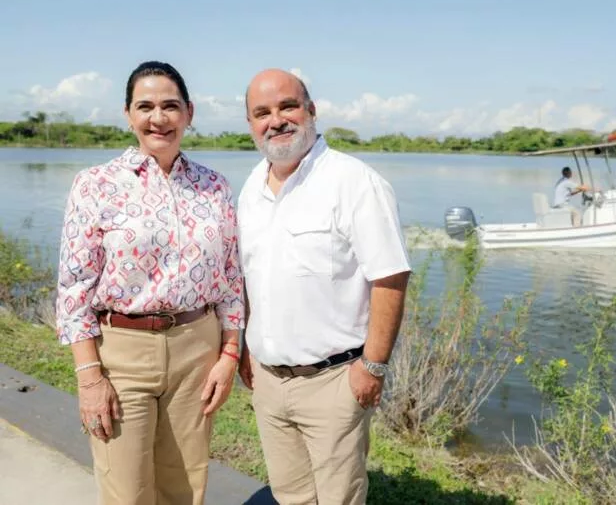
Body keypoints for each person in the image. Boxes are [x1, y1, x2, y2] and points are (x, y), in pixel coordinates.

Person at [55, 60, 245, 505]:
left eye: (170, 106)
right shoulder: (95, 185)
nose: (158, 117)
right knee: (127, 490)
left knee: (185, 486)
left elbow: (232, 280)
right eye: (145, 106)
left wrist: (229, 354)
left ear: (189, 113)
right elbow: (74, 288)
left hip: (197, 349)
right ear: (128, 115)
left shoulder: (214, 187)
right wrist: (89, 377)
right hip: (122, 353)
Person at [236, 68, 411, 505]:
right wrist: (244, 348)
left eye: (287, 106)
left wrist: (373, 367)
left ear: (311, 111)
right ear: (251, 123)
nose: (276, 120)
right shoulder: (251, 188)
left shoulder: (353, 182)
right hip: (269, 382)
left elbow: (390, 277)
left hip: (334, 382)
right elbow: (251, 277)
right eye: (262, 112)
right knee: (290, 495)